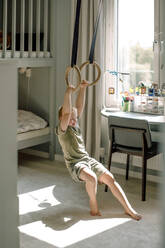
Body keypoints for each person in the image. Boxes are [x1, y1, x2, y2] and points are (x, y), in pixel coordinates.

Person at [56, 80, 142, 221]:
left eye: (75, 118)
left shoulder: (75, 125)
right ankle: (93, 205)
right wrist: (68, 94)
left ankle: (128, 209)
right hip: (75, 164)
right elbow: (67, 113)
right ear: (62, 119)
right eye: (70, 118)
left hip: (87, 160)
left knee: (110, 179)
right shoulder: (62, 129)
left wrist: (82, 88)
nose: (73, 120)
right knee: (92, 178)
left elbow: (78, 107)